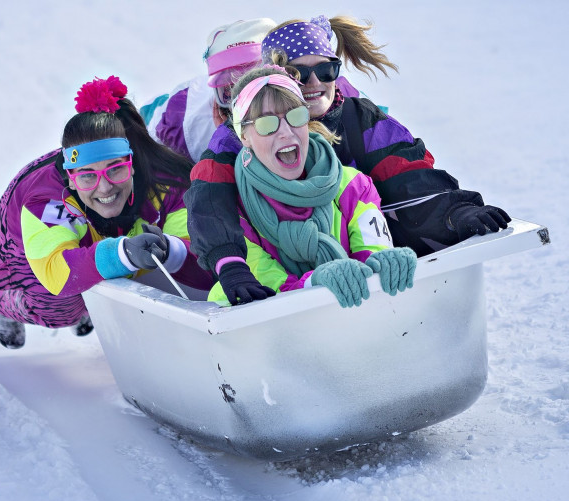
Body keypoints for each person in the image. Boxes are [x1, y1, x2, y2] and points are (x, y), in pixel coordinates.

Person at [185, 15, 510, 305]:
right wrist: (229, 262)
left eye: (326, 70)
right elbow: (210, 200)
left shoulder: (358, 119)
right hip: (283, 274)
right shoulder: (239, 135)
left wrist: (455, 212)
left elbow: (407, 174)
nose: (314, 83)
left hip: (362, 259)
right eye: (300, 73)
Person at [0, 76, 213, 349]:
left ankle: (97, 289)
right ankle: (4, 304)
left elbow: (204, 259)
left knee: (138, 264)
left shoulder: (165, 184)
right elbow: (55, 272)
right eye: (87, 176)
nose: (104, 187)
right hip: (25, 247)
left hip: (103, 233)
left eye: (115, 169)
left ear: (131, 164)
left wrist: (171, 250)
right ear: (70, 177)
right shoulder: (46, 201)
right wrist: (123, 253)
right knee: (63, 305)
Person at [206, 66, 416, 306]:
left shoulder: (352, 185)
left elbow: (372, 250)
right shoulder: (232, 208)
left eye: (296, 116)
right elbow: (262, 283)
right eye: (266, 124)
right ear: (244, 136)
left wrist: (384, 264)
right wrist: (313, 283)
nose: (286, 132)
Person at [141, 17, 380, 164]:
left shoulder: (324, 90)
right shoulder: (181, 113)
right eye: (230, 90)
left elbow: (379, 126)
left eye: (256, 85)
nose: (244, 102)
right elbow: (139, 129)